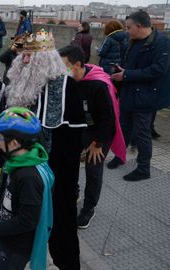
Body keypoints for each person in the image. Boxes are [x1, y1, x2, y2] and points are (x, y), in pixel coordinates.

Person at [3, 29, 87, 270]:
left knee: (58, 224)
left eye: (30, 55)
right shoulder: (21, 83)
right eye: (23, 55)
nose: (24, 59)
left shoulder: (65, 86)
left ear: (44, 59)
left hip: (53, 173)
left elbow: (71, 140)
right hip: (20, 170)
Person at [59, 45, 126, 229]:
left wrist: (97, 144)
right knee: (68, 160)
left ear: (78, 65)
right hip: (82, 128)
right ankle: (74, 192)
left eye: (65, 66)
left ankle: (89, 208)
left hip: (101, 132)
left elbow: (109, 119)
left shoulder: (98, 84)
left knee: (93, 169)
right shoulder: (69, 80)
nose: (61, 71)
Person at [0, 107, 54, 270]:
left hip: (18, 247)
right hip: (10, 239)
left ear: (14, 143)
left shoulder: (28, 177)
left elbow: (27, 220)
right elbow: (10, 196)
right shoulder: (19, 162)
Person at [108, 11, 170, 181]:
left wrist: (127, 75)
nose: (127, 31)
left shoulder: (162, 43)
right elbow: (129, 64)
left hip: (146, 97)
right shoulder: (132, 41)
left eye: (129, 27)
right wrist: (120, 71)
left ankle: (143, 168)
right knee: (123, 127)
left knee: (141, 133)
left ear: (140, 26)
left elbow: (158, 70)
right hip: (128, 92)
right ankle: (120, 156)